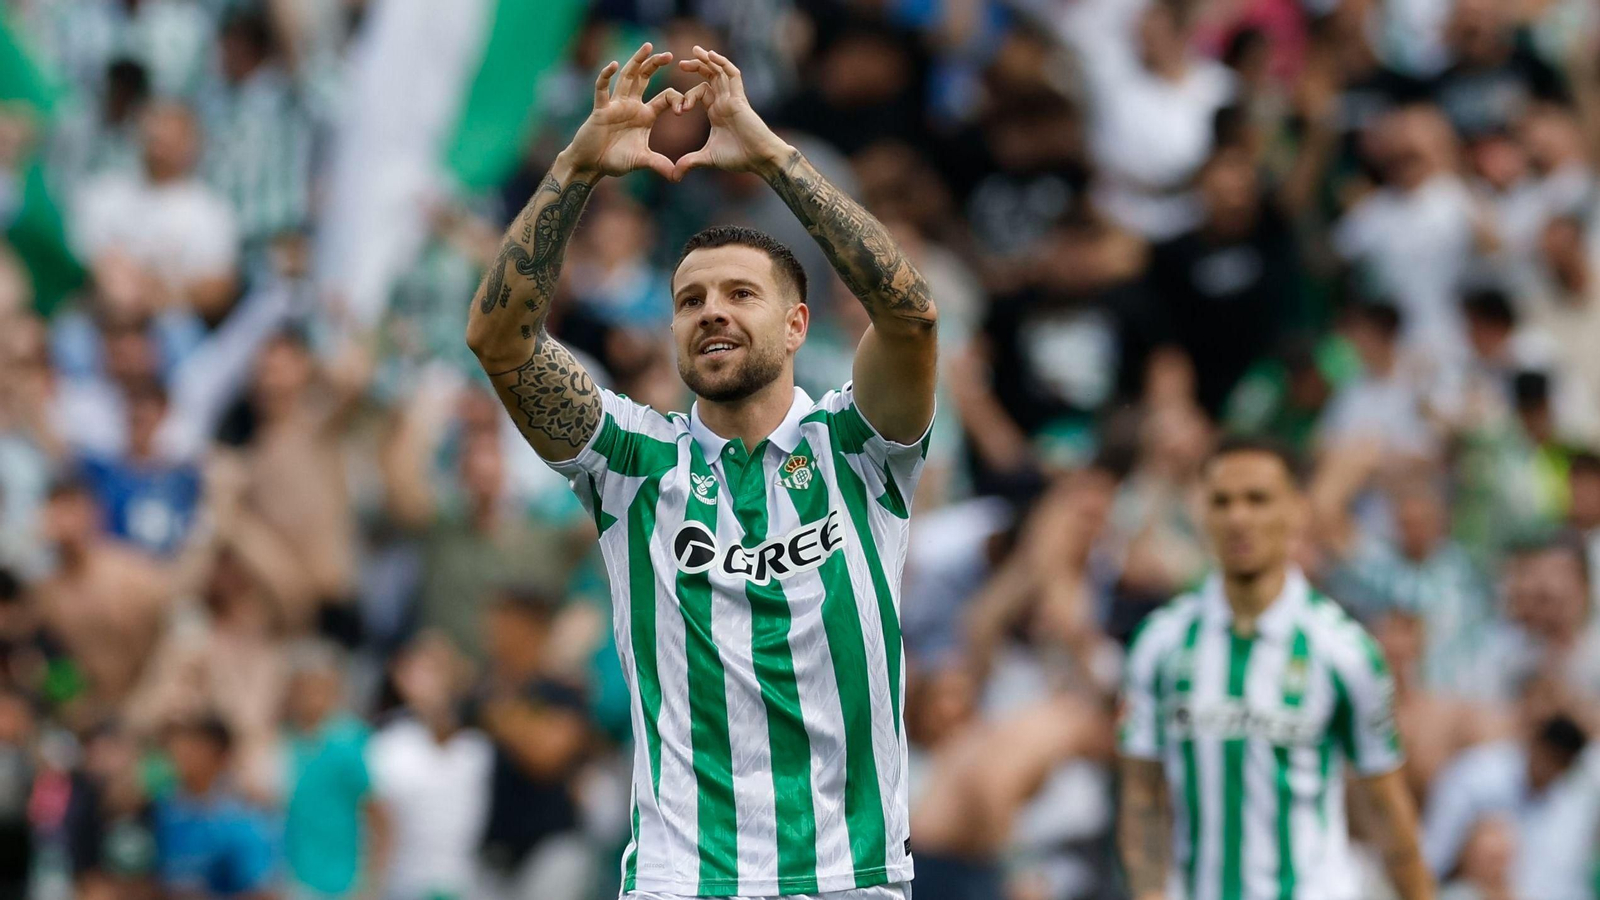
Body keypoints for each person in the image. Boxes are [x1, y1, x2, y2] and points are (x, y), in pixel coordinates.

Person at [465, 40, 938, 900]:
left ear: (796, 325)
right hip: (682, 880)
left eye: (739, 294)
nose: (711, 312)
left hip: (850, 877)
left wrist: (775, 160)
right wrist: (575, 169)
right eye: (690, 300)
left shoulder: (858, 446)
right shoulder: (631, 461)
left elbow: (910, 317)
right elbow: (500, 340)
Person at [1117, 436, 1433, 900]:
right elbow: (1142, 796)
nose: (1238, 518)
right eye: (1222, 502)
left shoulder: (1345, 651)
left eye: (1258, 499)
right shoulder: (1159, 643)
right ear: (1202, 513)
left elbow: (1386, 807)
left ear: (1297, 511)